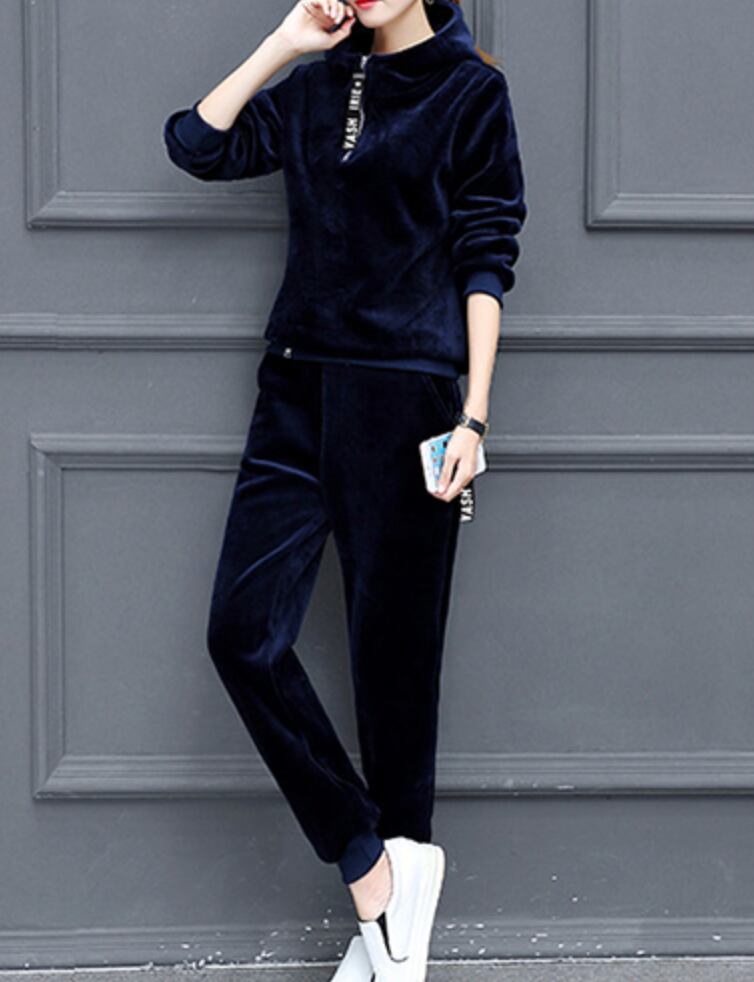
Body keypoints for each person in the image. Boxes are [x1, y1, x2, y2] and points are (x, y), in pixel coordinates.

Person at [162, 0, 526, 977]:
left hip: (405, 401)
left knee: (393, 674)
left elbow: (486, 254)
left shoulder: (469, 92)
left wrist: (474, 417)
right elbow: (197, 145)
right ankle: (372, 867)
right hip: (293, 390)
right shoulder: (318, 84)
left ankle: (390, 946)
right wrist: (284, 44)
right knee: (241, 635)